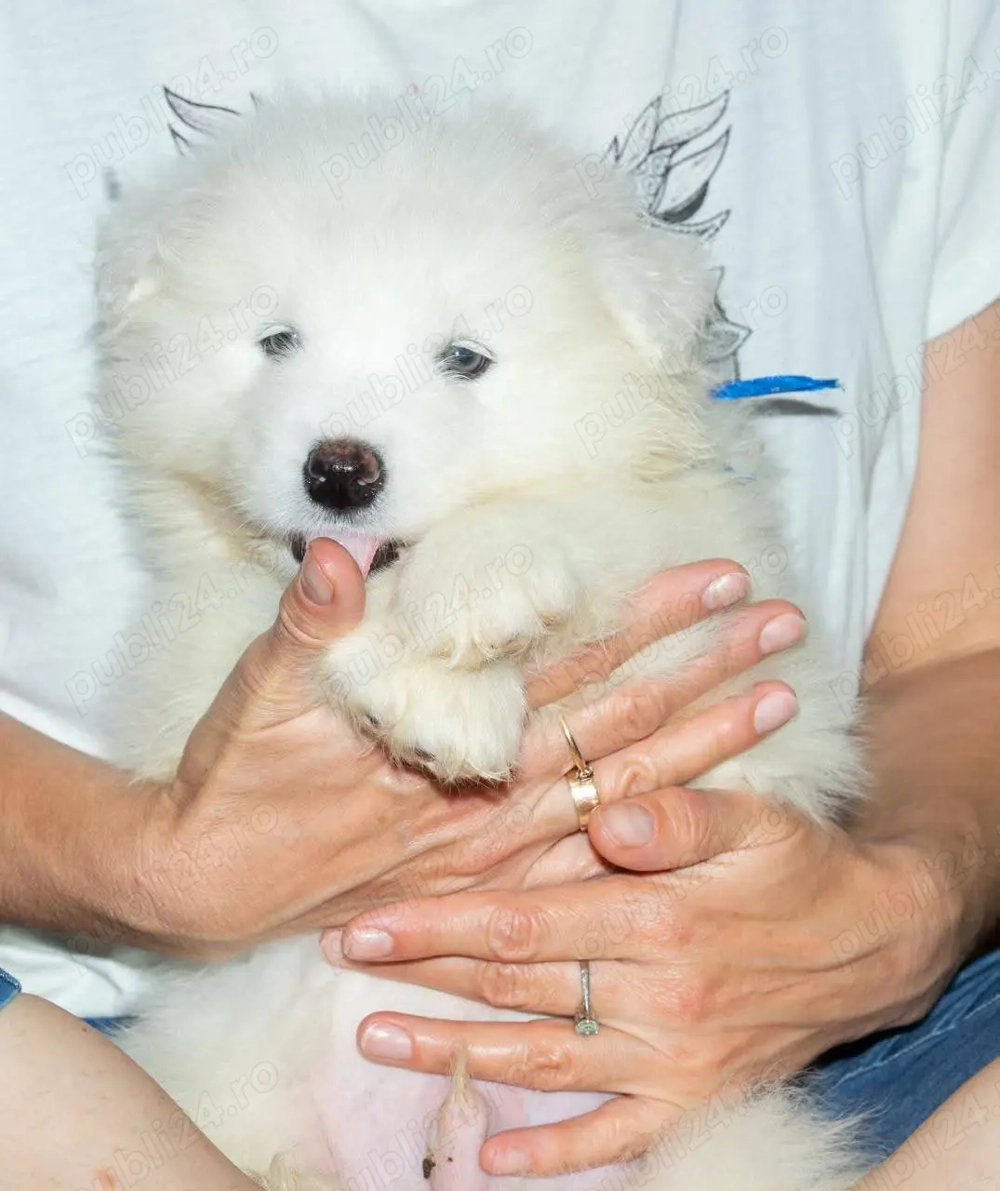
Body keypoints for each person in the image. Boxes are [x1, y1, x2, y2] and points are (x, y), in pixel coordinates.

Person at [1, 0, 999, 1184]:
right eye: (276, 342)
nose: (341, 447)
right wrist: (136, 860)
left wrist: (914, 900)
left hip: (753, 1055)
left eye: (464, 361)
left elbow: (958, 641)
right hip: (186, 1087)